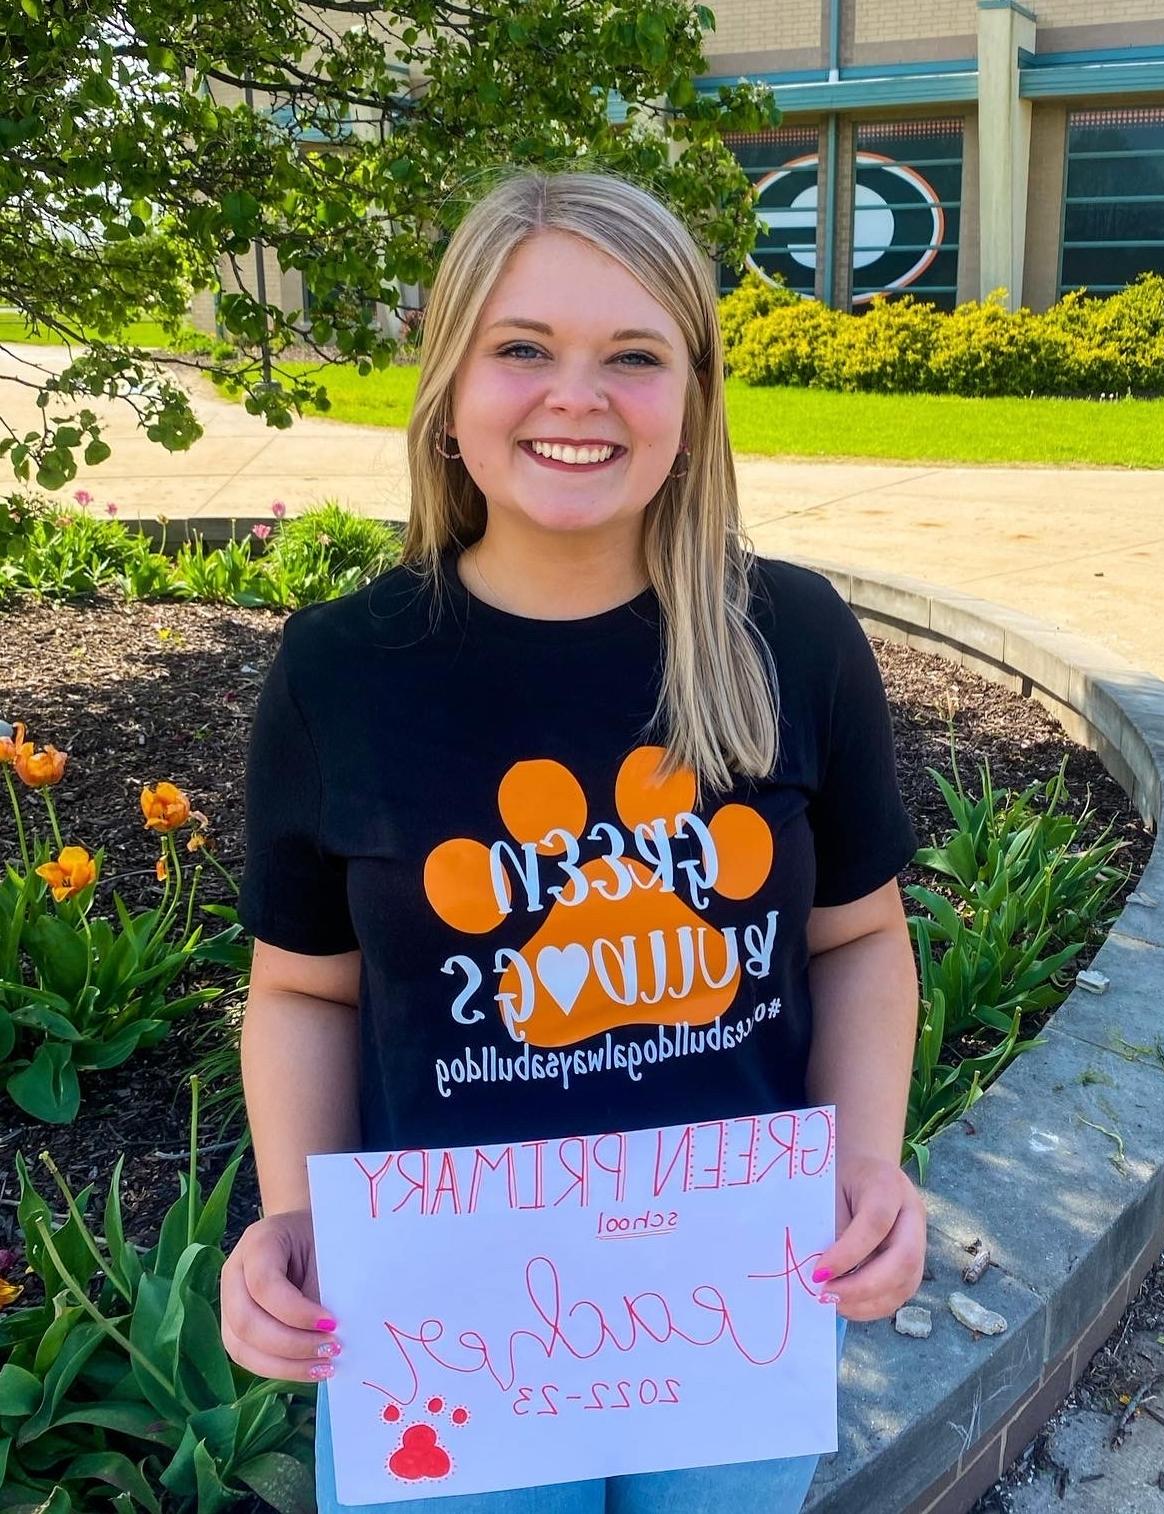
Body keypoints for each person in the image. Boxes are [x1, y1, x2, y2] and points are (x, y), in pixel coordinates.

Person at [219, 163, 925, 1513]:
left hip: (735, 1299)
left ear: (695, 399)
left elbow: (858, 940)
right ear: (447, 387)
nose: (575, 395)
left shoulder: (790, 639)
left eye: (633, 355)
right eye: (523, 348)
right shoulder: (344, 671)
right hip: (441, 1320)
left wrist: (864, 1163)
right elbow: (303, 985)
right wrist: (292, 1219)